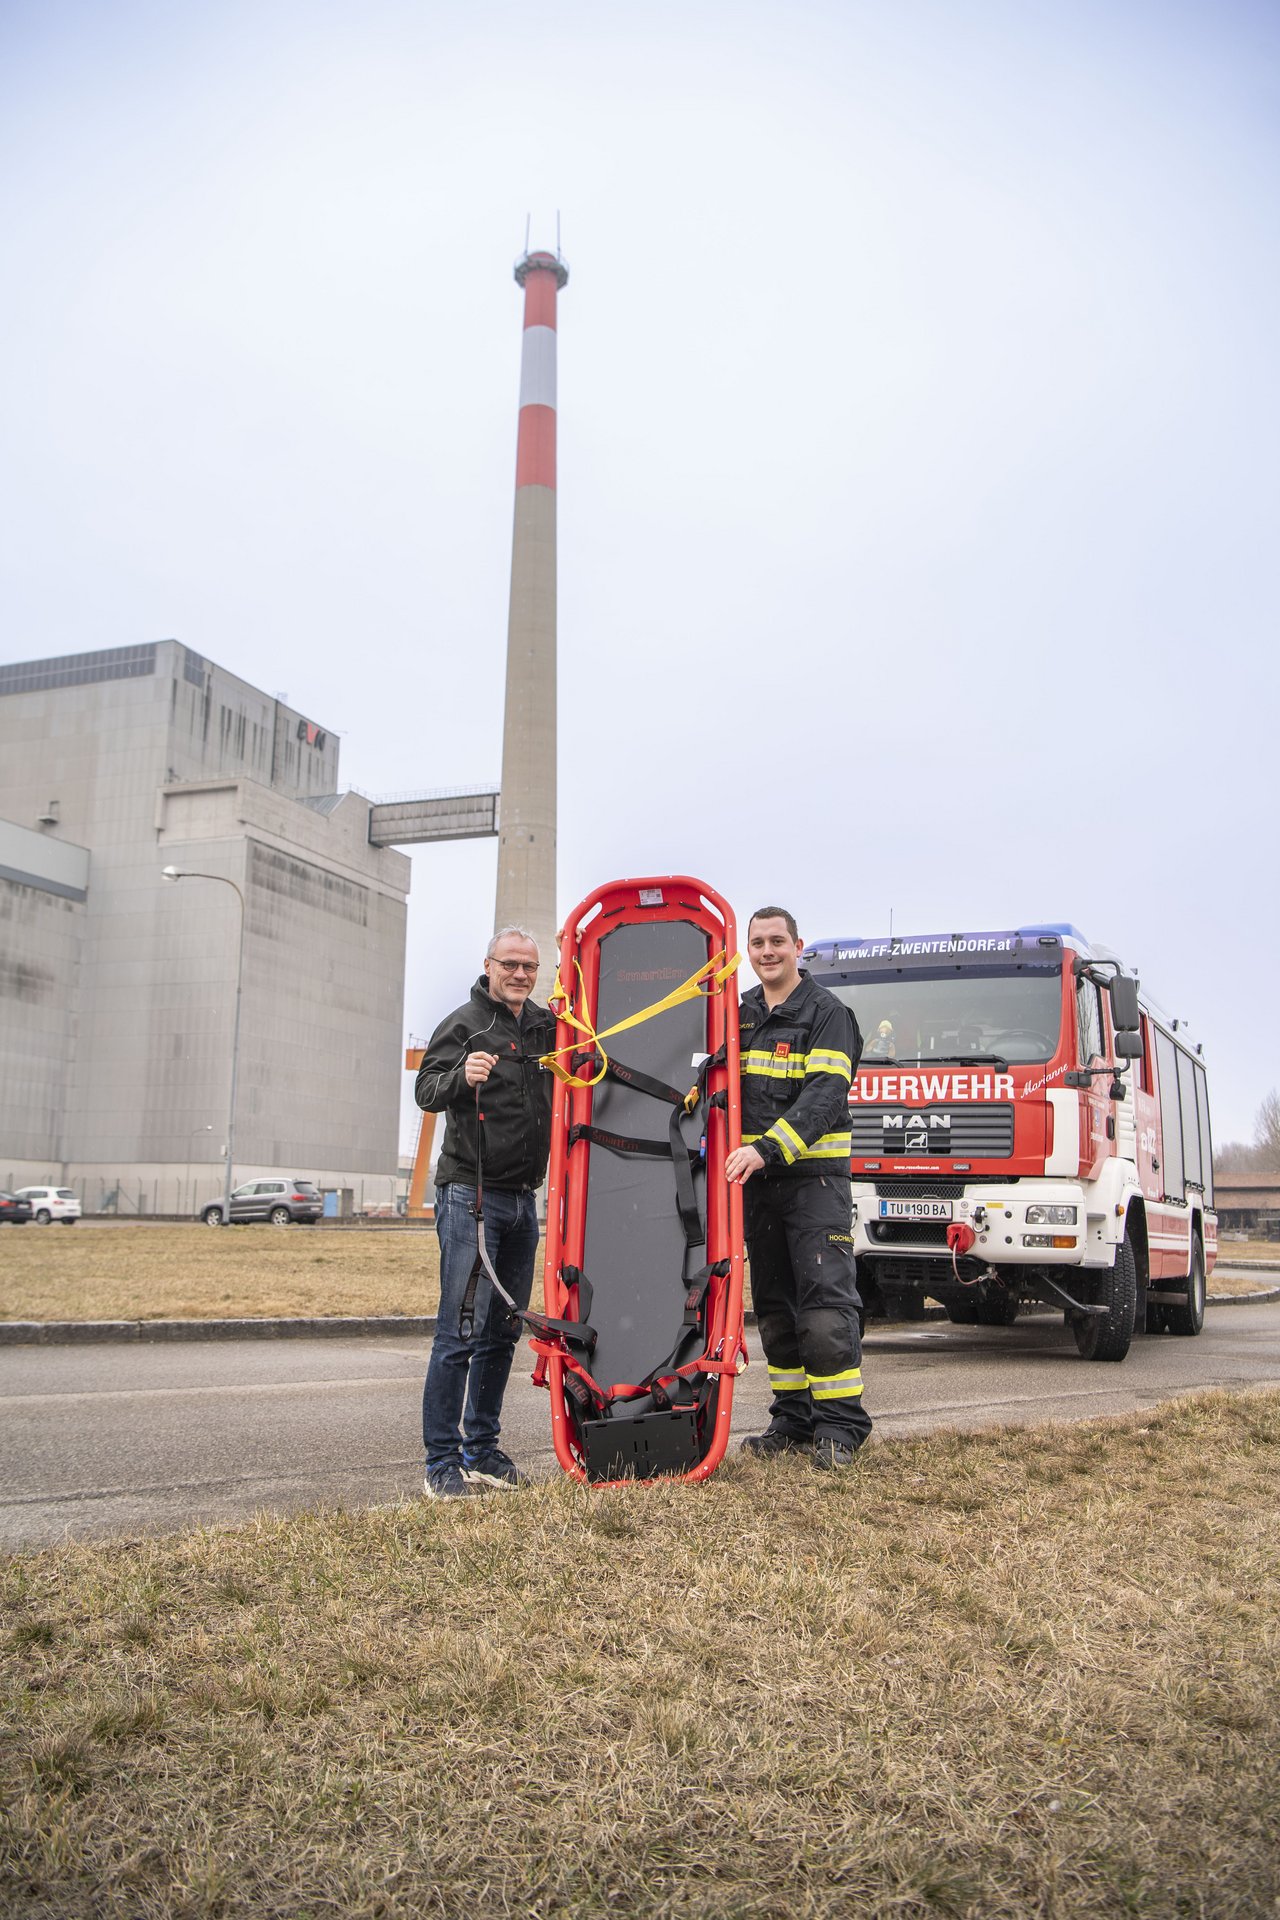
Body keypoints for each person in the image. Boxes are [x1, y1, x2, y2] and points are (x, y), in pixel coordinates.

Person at [725, 906, 872, 1469]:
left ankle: (840, 1426)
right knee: (775, 1308)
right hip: (759, 1184)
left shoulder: (828, 1014)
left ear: (797, 946)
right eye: (758, 943)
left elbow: (824, 1097)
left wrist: (765, 1149)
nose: (767, 952)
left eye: (777, 941)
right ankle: (793, 1419)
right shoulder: (738, 1013)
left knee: (824, 1306)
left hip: (814, 1182)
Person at [414, 926, 555, 1499]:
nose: (520, 974)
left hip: (524, 1199)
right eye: (510, 964)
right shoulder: (464, 1024)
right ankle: (441, 1462)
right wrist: (459, 1076)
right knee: (459, 1332)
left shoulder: (547, 1026)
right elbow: (426, 1091)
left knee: (503, 1331)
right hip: (470, 1199)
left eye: (529, 966)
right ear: (489, 965)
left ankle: (482, 1450)